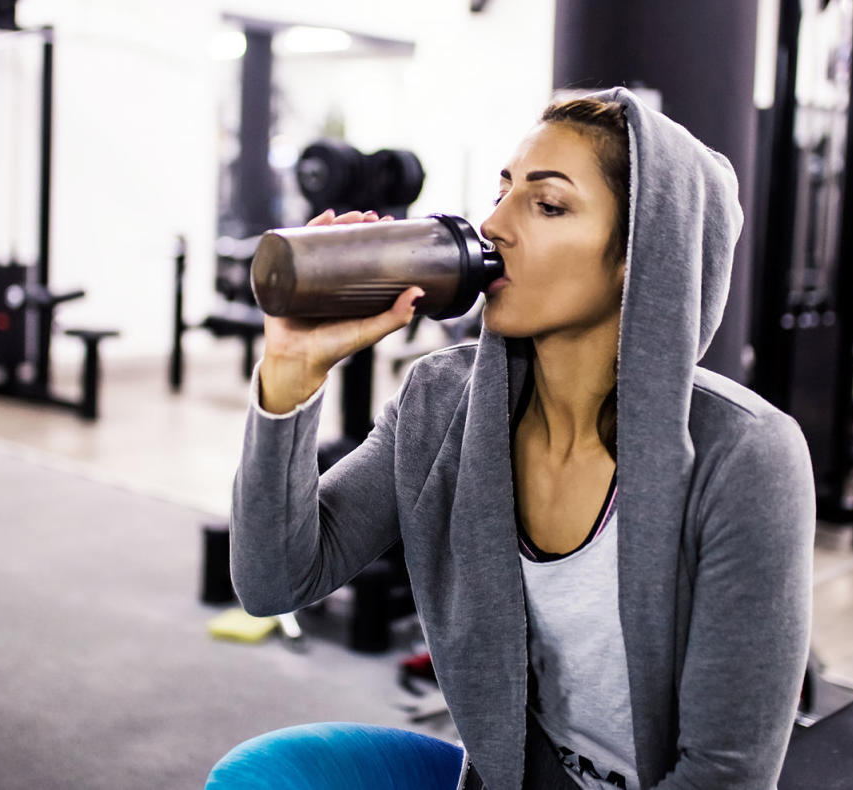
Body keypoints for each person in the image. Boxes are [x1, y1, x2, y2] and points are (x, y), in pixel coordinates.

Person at [209, 87, 815, 790]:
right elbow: (274, 580)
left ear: (639, 255)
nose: (493, 224)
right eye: (503, 190)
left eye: (547, 204)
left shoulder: (746, 456)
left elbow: (723, 776)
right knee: (259, 777)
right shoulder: (443, 402)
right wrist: (290, 375)